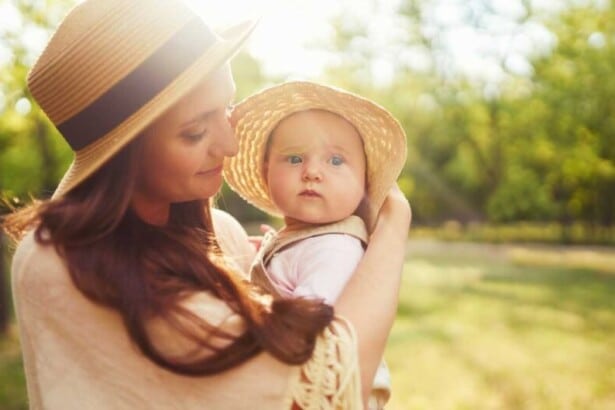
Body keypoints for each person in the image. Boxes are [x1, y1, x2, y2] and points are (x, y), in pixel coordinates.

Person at [2, 0, 411, 409]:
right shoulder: (64, 262)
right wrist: (391, 228)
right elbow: (324, 389)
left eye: (226, 109)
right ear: (124, 154)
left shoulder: (223, 237)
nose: (230, 145)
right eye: (195, 132)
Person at [223, 81, 407, 409]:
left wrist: (249, 294)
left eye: (335, 161)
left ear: (364, 181)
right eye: (294, 158)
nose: (311, 172)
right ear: (267, 172)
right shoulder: (305, 243)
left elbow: (307, 332)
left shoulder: (335, 251)